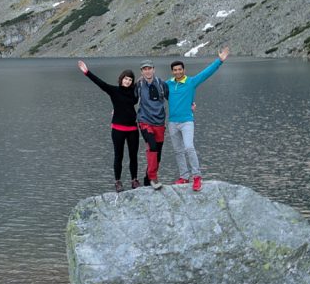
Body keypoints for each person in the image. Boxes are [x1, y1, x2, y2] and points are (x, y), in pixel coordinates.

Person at [166, 47, 230, 191]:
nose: (177, 72)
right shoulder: (168, 84)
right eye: (175, 70)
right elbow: (151, 90)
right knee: (178, 151)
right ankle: (183, 176)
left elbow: (206, 73)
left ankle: (196, 176)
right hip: (172, 122)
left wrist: (219, 61)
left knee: (189, 147)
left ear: (183, 70)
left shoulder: (191, 82)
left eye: (179, 69)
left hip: (187, 121)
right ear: (172, 72)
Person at [78, 60, 140, 191]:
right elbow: (100, 83)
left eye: (130, 80)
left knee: (133, 156)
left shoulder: (134, 91)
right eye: (126, 79)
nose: (127, 81)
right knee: (119, 156)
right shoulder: (114, 90)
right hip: (118, 129)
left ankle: (134, 180)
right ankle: (118, 182)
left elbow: (144, 80)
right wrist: (87, 72)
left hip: (133, 129)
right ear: (121, 79)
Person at [134, 60, 170, 190]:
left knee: (157, 153)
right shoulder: (138, 85)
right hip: (144, 121)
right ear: (142, 72)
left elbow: (173, 98)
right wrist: (117, 108)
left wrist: (190, 104)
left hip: (159, 122)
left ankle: (147, 178)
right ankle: (153, 178)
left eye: (149, 68)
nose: (147, 71)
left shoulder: (162, 84)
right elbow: (128, 98)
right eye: (145, 69)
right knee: (152, 146)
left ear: (154, 70)